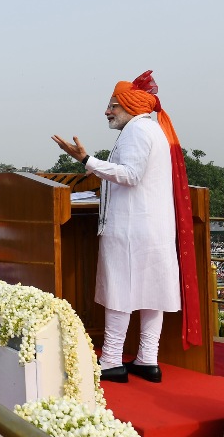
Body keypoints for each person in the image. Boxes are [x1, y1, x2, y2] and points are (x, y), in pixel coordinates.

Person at [52, 70, 199, 384]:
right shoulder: (153, 129)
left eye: (113, 106)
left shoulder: (136, 132)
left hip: (131, 229)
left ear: (131, 107)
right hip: (153, 228)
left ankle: (111, 360)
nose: (107, 111)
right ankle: (147, 360)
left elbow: (131, 175)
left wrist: (86, 160)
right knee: (152, 294)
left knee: (121, 291)